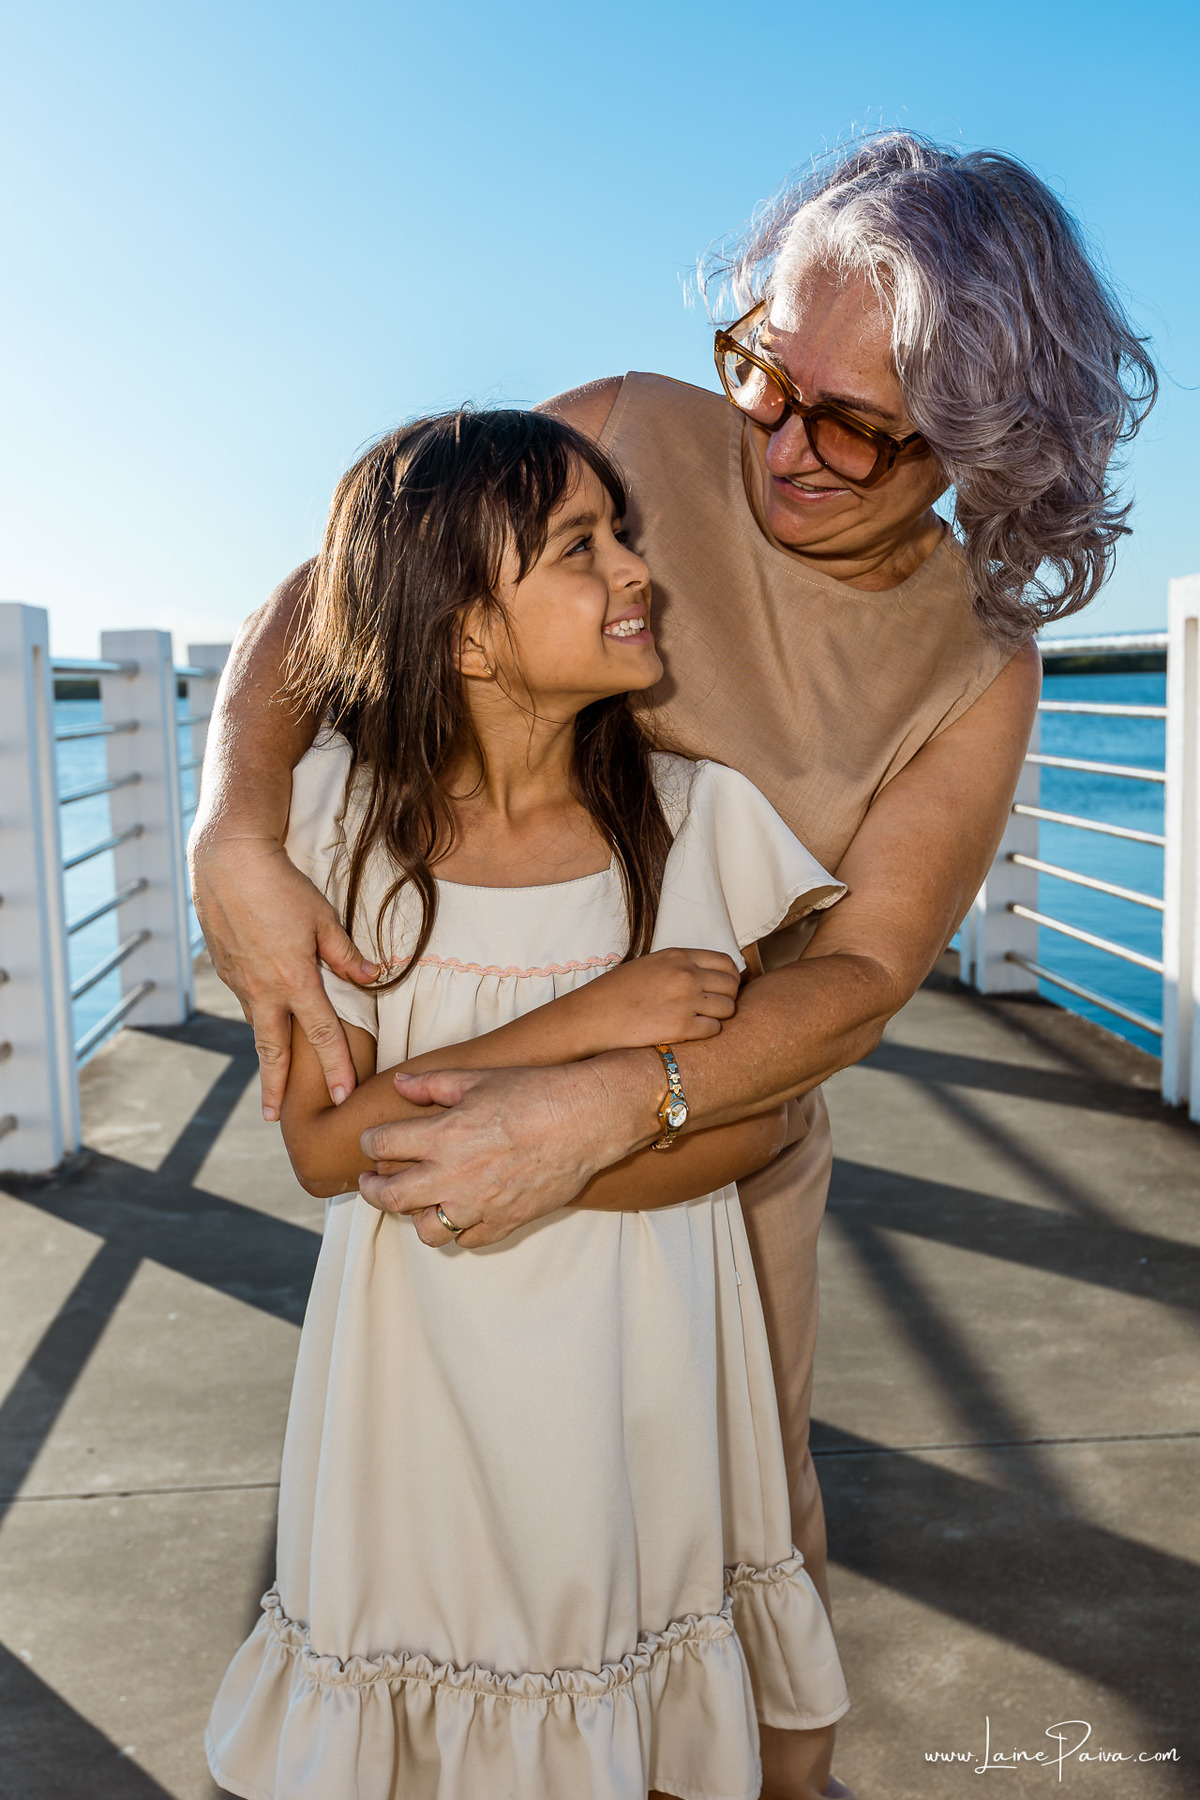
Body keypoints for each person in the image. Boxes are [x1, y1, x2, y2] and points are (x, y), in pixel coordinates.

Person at [190, 133, 1156, 1799]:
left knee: (720, 1550)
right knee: (445, 1559)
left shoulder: (979, 666)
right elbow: (353, 590)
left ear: (985, 440)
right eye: (765, 371)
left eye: (854, 422)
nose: (779, 440)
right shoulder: (627, 436)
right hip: (449, 1114)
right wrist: (235, 824)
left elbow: (859, 972)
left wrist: (614, 1104)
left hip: (717, 1147)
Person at [205, 408, 853, 1800]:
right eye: (579, 547)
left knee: (636, 1697)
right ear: (461, 632)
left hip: (639, 1368)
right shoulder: (340, 830)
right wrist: (590, 1024)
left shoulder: (697, 822)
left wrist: (534, 1153)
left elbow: (752, 1122)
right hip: (420, 1389)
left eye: (623, 532)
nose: (635, 569)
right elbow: (326, 1149)